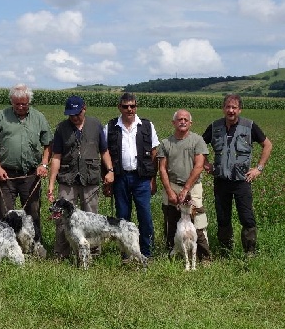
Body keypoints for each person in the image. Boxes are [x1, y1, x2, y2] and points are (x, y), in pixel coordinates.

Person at [202, 94, 272, 255]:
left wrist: (258, 169)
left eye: (234, 107)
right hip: (221, 180)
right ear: (223, 108)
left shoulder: (250, 126)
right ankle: (226, 251)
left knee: (247, 218)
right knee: (223, 217)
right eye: (228, 107)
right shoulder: (215, 127)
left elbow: (267, 145)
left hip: (242, 180)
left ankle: (250, 252)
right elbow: (199, 145)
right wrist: (206, 164)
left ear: (240, 109)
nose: (231, 110)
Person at [47, 95, 114, 259]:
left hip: (90, 178)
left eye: (77, 113)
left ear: (84, 108)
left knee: (92, 217)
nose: (74, 117)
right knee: (61, 217)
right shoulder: (61, 128)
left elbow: (104, 151)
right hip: (67, 178)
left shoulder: (96, 125)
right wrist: (51, 183)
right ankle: (62, 253)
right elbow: (56, 156)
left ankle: (93, 252)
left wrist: (110, 170)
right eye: (71, 114)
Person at [0, 83, 52, 245]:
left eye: (24, 103)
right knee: (4, 213)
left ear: (29, 101)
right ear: (11, 101)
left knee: (33, 213)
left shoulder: (39, 118)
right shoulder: (0, 117)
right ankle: (5, 247)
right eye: (17, 103)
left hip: (31, 175)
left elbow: (48, 144)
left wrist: (43, 164)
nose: (21, 106)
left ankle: (35, 246)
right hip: (6, 175)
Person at [104, 92, 159, 258]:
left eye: (132, 106)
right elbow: (104, 153)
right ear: (119, 107)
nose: (129, 109)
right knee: (122, 219)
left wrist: (153, 178)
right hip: (120, 178)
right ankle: (126, 254)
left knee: (145, 217)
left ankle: (146, 253)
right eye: (126, 106)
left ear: (136, 107)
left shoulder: (147, 126)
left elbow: (154, 153)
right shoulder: (111, 127)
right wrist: (107, 181)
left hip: (142, 178)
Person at [158, 109, 211, 261]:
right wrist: (169, 191)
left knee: (198, 223)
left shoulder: (197, 140)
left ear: (190, 123)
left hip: (193, 187)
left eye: (185, 120)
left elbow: (199, 165)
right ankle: (173, 255)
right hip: (172, 185)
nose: (182, 121)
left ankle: (204, 257)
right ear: (173, 123)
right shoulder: (166, 143)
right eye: (179, 119)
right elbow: (162, 168)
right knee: (172, 221)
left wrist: (186, 189)